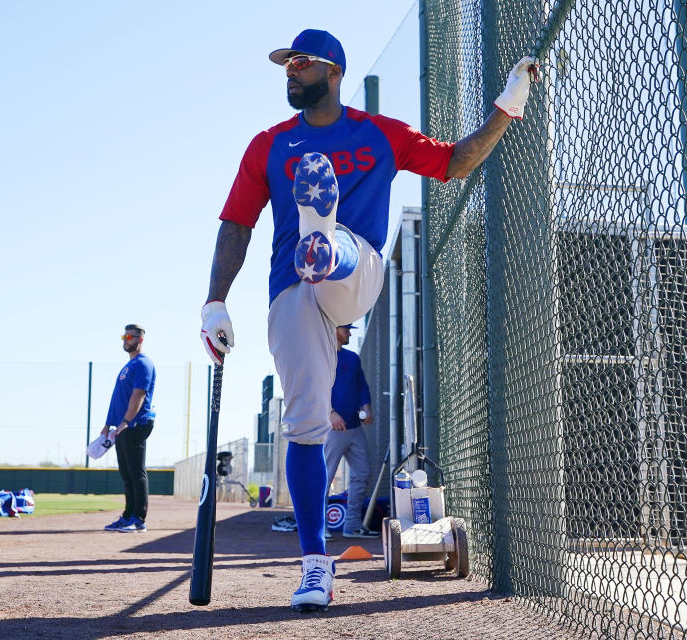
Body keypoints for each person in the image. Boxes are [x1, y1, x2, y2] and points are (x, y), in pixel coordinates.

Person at [199, 28, 537, 611]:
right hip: (291, 293)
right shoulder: (268, 145)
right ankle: (313, 567)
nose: (289, 72)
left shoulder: (379, 133)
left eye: (300, 64)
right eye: (286, 65)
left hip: (357, 271)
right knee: (305, 426)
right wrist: (214, 301)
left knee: (339, 256)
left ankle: (325, 241)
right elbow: (236, 223)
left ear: (333, 72)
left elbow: (455, 162)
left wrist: (508, 108)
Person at [101, 324, 156, 533]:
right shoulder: (128, 366)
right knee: (126, 473)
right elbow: (118, 398)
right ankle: (127, 516)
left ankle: (138, 519)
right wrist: (108, 424)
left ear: (140, 339)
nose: (126, 339)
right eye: (124, 336)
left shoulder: (143, 364)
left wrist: (126, 421)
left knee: (136, 472)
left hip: (135, 423)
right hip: (121, 425)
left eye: (130, 336)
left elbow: (138, 396)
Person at [325, 323, 376, 539]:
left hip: (354, 427)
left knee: (363, 472)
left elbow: (361, 386)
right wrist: (330, 412)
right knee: (324, 478)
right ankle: (319, 527)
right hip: (332, 428)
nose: (349, 333)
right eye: (346, 329)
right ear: (335, 329)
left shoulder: (352, 358)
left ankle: (352, 525)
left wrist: (366, 406)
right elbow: (315, 387)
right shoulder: (322, 356)